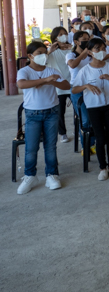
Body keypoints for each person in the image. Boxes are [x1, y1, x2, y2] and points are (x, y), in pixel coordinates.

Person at [16, 41, 71, 194]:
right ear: (30, 56)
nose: (43, 56)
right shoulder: (25, 71)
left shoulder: (52, 71)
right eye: (39, 53)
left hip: (51, 112)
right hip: (33, 114)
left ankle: (51, 174)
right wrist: (45, 80)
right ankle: (30, 176)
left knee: (50, 146)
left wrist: (51, 81)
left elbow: (66, 85)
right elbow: (22, 84)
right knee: (31, 147)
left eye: (44, 53)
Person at [72, 38, 109, 181]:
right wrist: (86, 86)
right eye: (97, 49)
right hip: (94, 107)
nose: (101, 51)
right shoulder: (85, 70)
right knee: (100, 137)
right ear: (89, 52)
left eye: (103, 48)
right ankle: (102, 167)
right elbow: (74, 89)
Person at [67, 30, 95, 153]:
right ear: (76, 42)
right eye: (83, 39)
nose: (86, 41)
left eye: (88, 39)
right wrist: (83, 53)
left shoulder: (91, 56)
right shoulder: (70, 55)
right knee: (84, 118)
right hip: (77, 88)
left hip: (91, 87)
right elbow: (73, 65)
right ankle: (85, 145)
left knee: (93, 116)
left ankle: (93, 143)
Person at [47, 27, 73, 143]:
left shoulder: (72, 49)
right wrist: (50, 50)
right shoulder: (51, 52)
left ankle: (79, 130)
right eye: (61, 34)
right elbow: (43, 62)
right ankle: (62, 133)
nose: (64, 36)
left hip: (73, 83)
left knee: (78, 110)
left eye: (65, 34)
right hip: (59, 85)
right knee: (59, 111)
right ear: (55, 37)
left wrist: (72, 48)